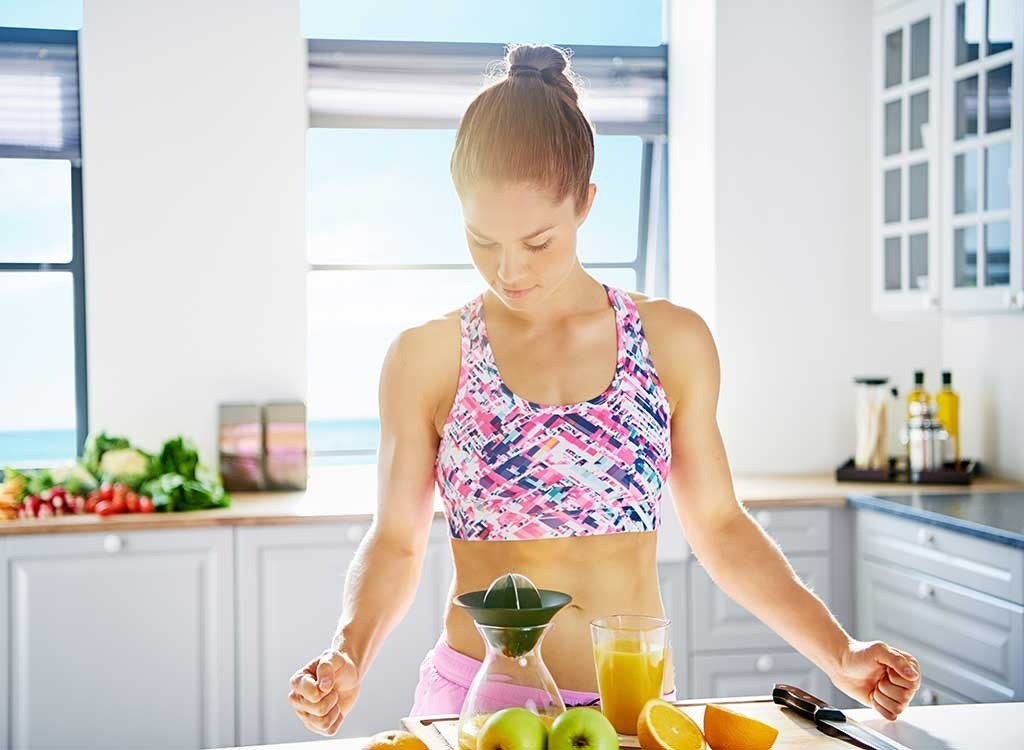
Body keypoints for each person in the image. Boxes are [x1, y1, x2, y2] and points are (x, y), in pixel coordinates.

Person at [288, 42, 921, 736]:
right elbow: (398, 543)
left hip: (630, 704)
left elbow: (719, 525)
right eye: (481, 239)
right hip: (478, 703)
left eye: (537, 241)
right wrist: (347, 651)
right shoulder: (428, 356)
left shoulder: (670, 342)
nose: (509, 270)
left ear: (586, 203)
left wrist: (840, 652)